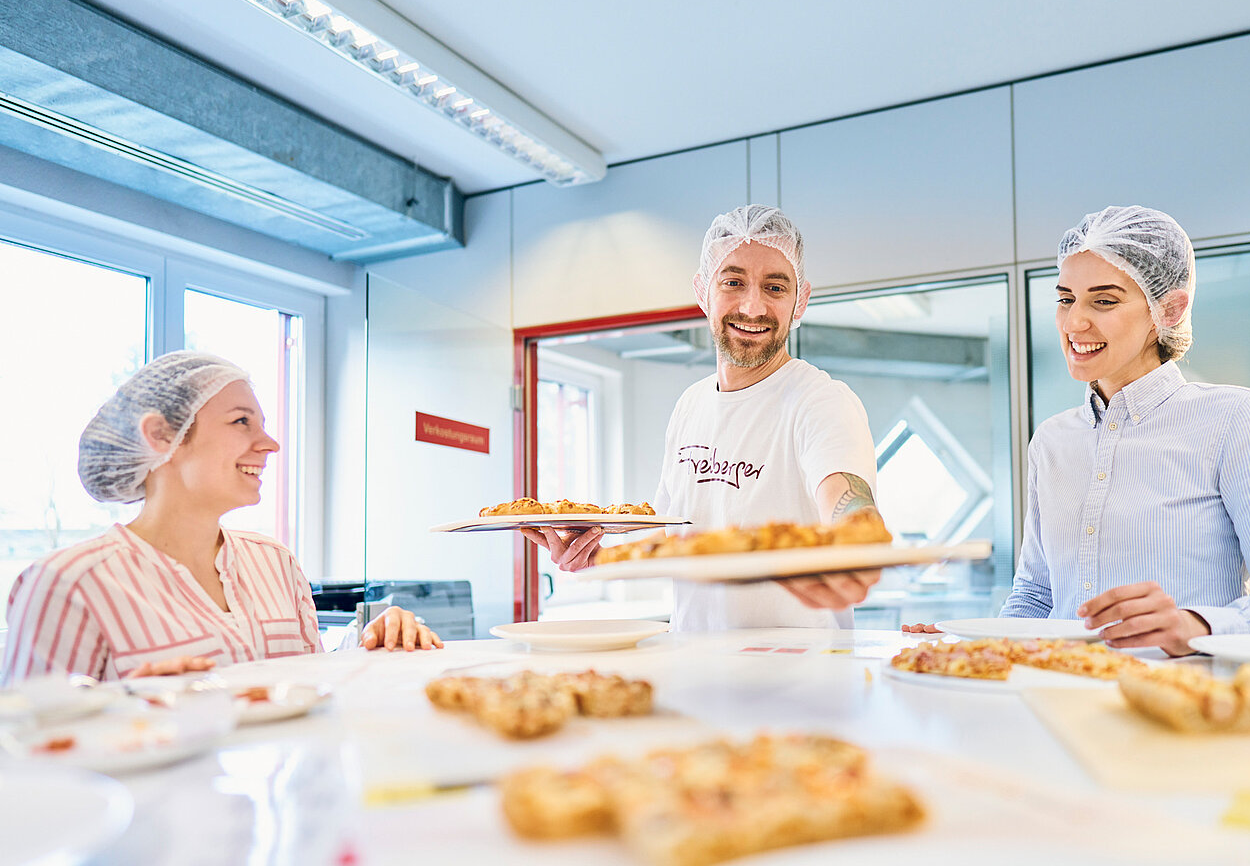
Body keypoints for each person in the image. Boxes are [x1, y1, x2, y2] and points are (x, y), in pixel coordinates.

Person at [990, 205, 1250, 654]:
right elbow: (1036, 596)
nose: (1074, 322)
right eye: (1065, 299)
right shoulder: (1052, 440)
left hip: (1181, 694)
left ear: (1170, 309)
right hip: (1057, 690)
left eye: (1104, 300)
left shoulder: (1240, 421)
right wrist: (965, 646)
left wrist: (1195, 626)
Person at [525, 204, 885, 630]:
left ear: (799, 301)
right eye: (733, 282)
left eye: (774, 287)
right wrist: (597, 557)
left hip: (799, 666)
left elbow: (847, 497)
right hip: (693, 661)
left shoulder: (821, 400)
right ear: (703, 291)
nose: (753, 307)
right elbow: (673, 535)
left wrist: (856, 544)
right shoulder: (690, 405)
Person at [1, 351, 441, 684]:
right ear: (161, 435)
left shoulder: (275, 563)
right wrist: (126, 712)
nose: (270, 444)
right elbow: (23, 748)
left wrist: (371, 641)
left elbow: (307, 688)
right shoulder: (69, 584)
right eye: (241, 422)